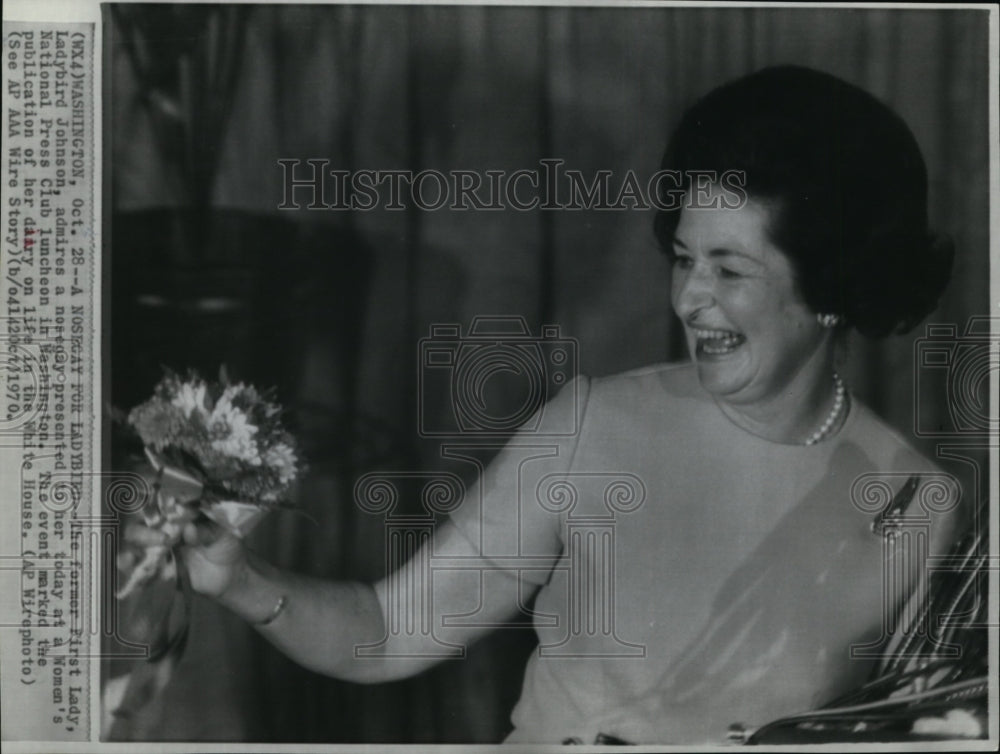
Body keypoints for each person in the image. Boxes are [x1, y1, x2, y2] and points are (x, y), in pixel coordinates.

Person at [121, 65, 960, 744]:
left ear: (832, 291)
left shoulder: (920, 502)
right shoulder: (593, 426)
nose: (690, 299)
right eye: (681, 258)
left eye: (730, 271)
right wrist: (238, 580)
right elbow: (385, 632)